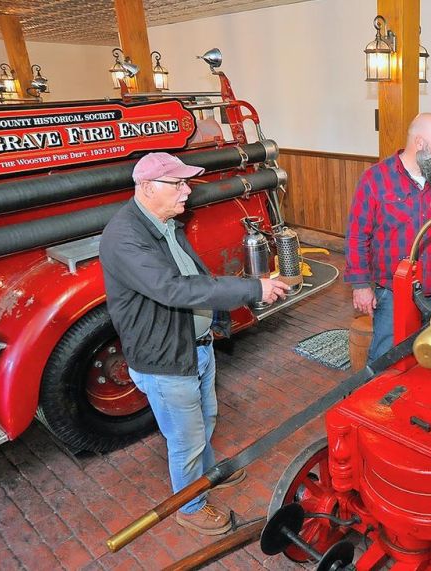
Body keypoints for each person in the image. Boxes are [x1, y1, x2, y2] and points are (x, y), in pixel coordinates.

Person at [99, 152, 289, 536]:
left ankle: (207, 475)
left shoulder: (166, 222)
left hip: (193, 345)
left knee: (206, 419)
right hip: (165, 359)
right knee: (185, 439)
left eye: (186, 183)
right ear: (148, 188)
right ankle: (190, 504)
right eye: (178, 184)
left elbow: (193, 277)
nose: (187, 191)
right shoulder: (125, 238)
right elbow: (173, 288)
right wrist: (253, 288)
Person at [345, 113, 431, 362]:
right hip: (393, 292)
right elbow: (357, 236)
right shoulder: (375, 180)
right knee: (386, 359)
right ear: (420, 143)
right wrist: (361, 286)